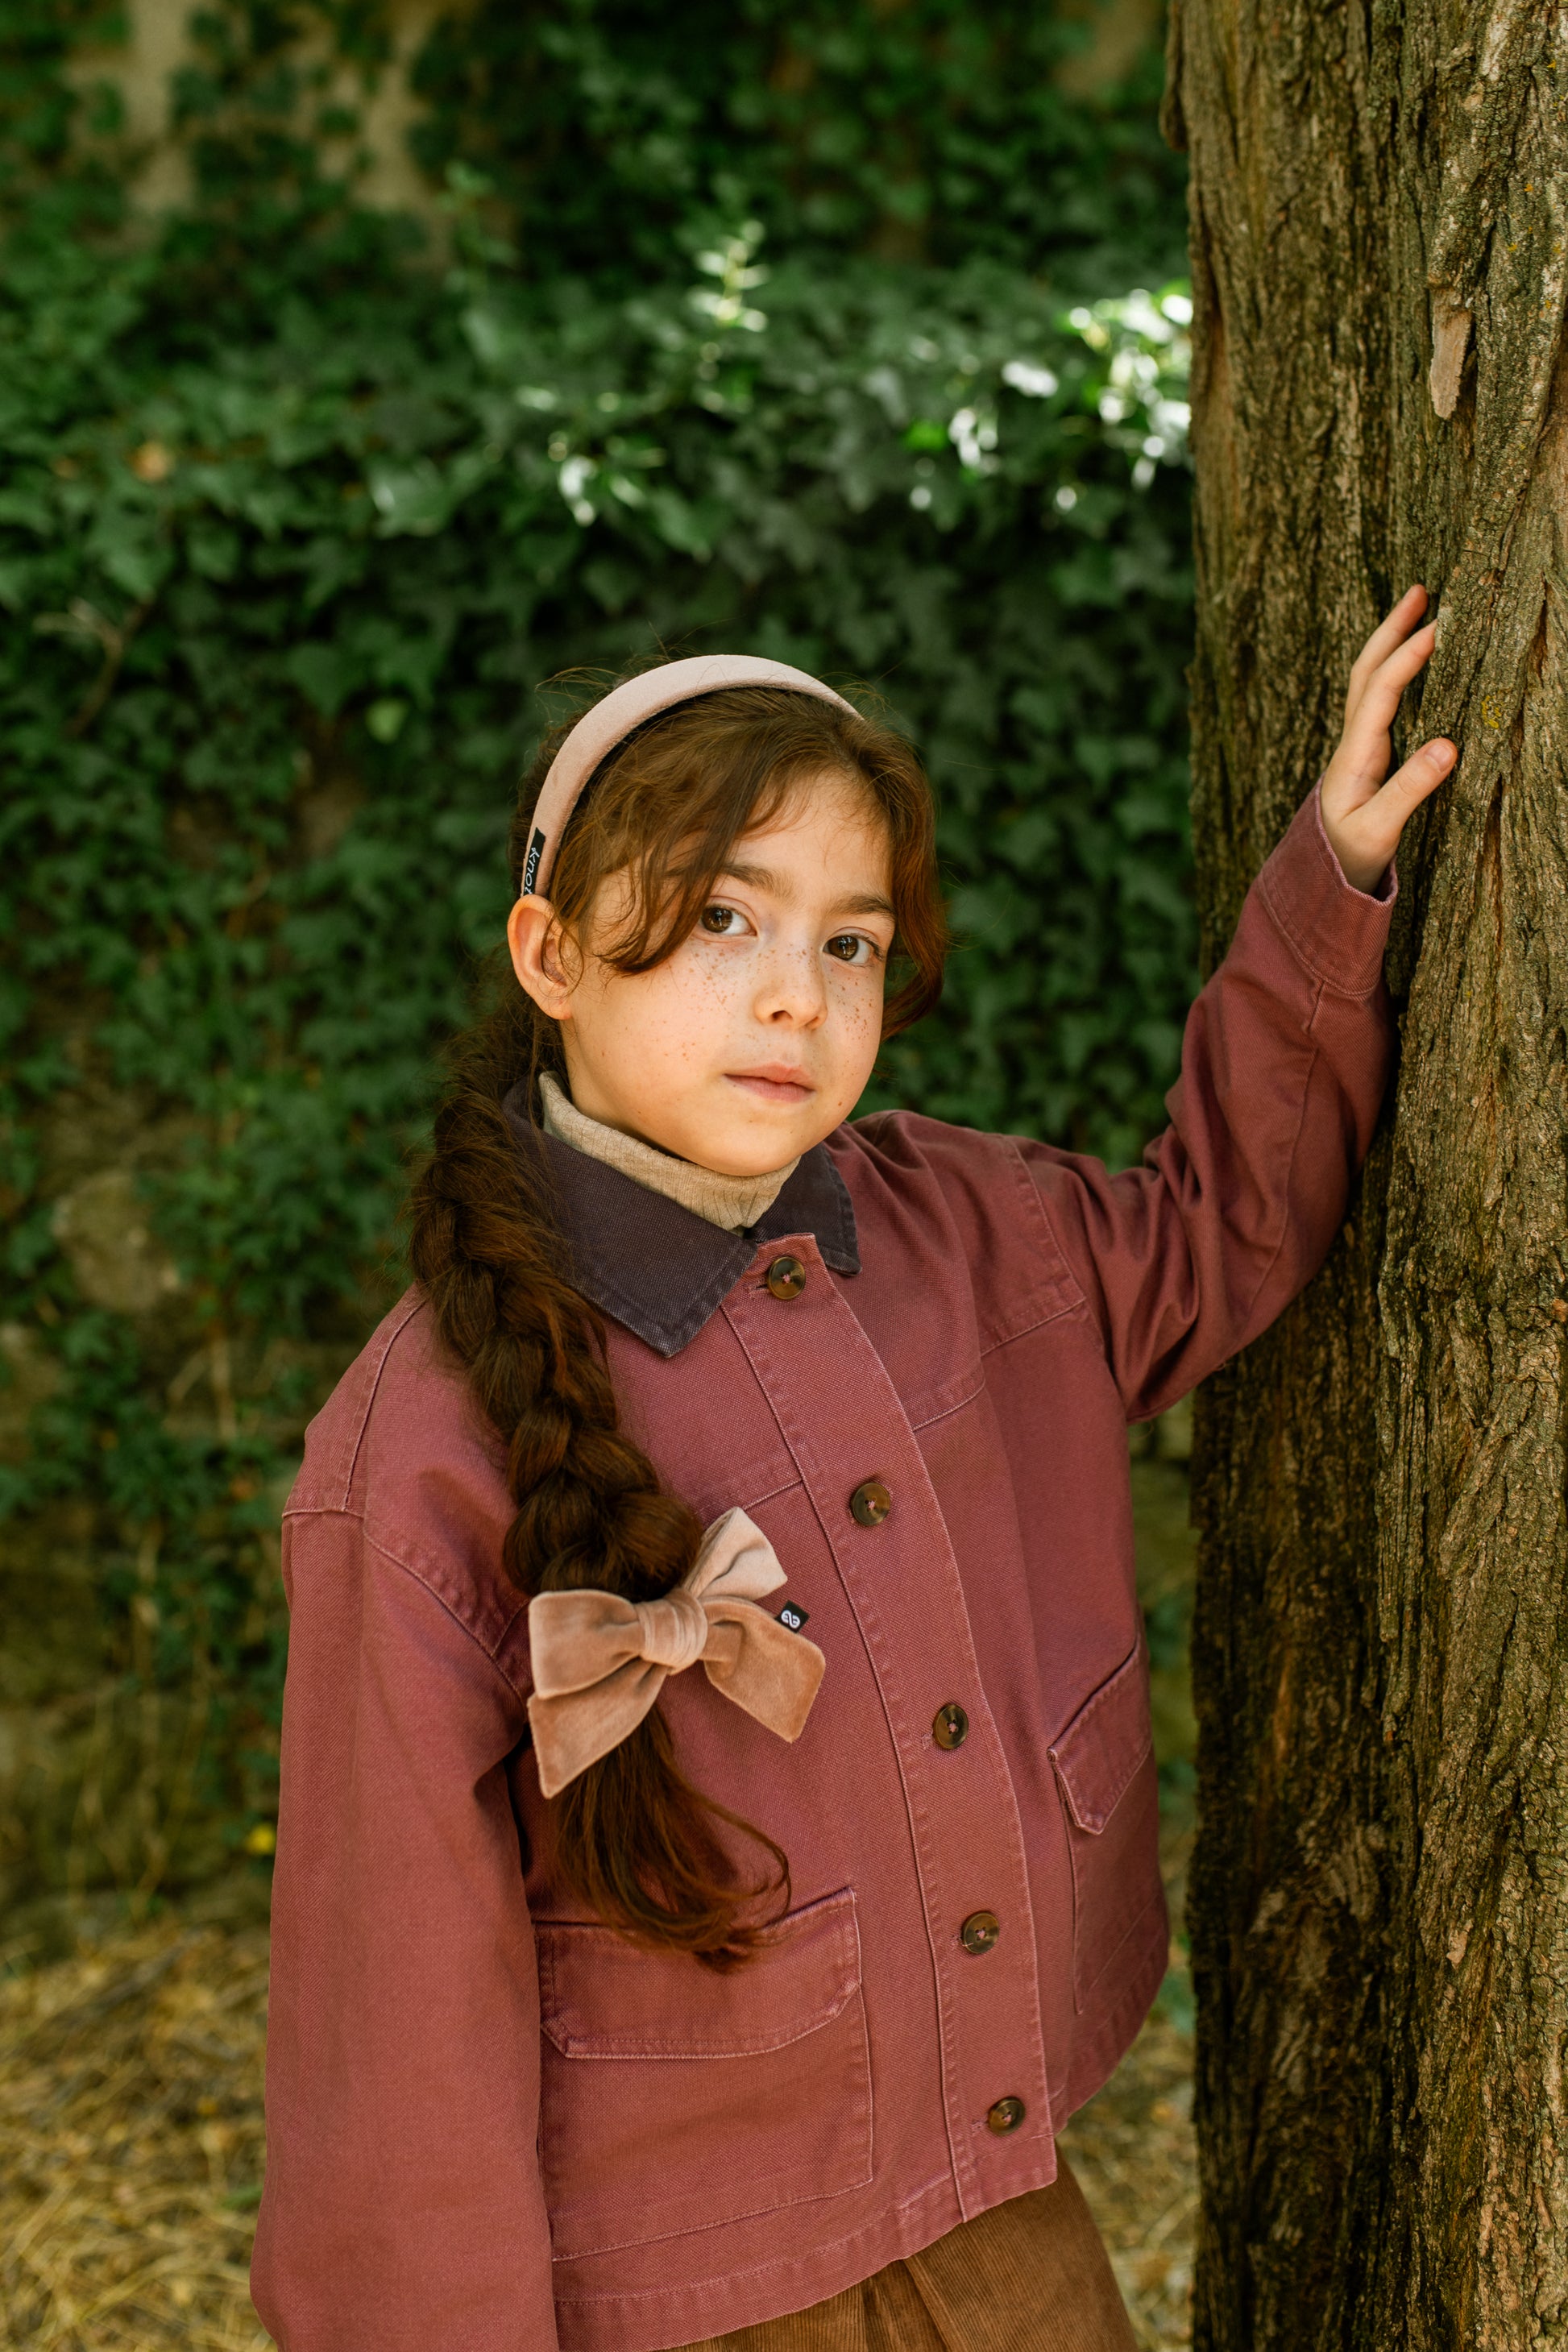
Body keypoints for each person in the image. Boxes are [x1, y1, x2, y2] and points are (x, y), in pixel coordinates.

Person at [251, 591, 1454, 2352]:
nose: (789, 993)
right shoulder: (420, 1445)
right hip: (678, 2276)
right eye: (719, 917)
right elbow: (392, 2015)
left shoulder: (966, 1223)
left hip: (993, 2196)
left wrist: (1330, 882)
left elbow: (1214, 1229)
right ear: (550, 953)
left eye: (851, 943)